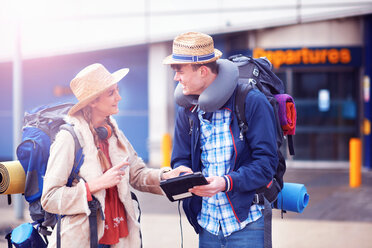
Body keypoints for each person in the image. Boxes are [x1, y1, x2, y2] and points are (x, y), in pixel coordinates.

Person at [41, 63, 191, 248]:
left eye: (117, 91)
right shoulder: (69, 138)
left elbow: (137, 175)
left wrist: (166, 176)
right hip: (83, 240)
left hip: (120, 238)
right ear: (93, 101)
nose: (119, 97)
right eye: (111, 93)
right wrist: (96, 185)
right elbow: (49, 198)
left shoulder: (114, 133)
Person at [163, 31, 279, 248]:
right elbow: (180, 158)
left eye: (180, 71)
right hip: (208, 225)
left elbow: (266, 166)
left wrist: (225, 183)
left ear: (203, 71)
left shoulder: (252, 102)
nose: (176, 78)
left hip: (248, 223)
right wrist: (183, 173)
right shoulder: (186, 110)